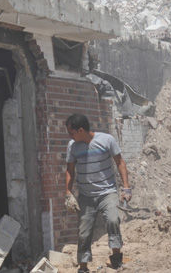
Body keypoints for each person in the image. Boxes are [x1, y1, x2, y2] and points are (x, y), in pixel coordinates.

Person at [65, 113, 131, 272]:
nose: (70, 136)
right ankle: (83, 266)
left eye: (71, 132)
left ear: (81, 130)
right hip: (86, 197)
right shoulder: (72, 146)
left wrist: (126, 187)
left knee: (113, 220)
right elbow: (70, 170)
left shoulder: (106, 140)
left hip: (107, 192)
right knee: (84, 232)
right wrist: (67, 192)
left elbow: (120, 162)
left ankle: (116, 259)